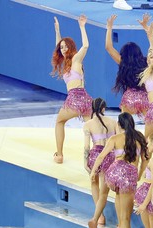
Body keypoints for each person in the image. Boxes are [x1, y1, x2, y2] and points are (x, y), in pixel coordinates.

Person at [88, 113, 149, 228]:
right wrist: (139, 174)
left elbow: (101, 157)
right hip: (128, 175)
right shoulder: (139, 137)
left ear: (120, 125)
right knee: (126, 218)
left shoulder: (114, 139)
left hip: (113, 173)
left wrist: (94, 171)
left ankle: (95, 219)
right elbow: (145, 160)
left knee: (104, 193)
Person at [51, 15, 92, 164]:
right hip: (86, 101)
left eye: (66, 47)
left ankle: (59, 154)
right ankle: (100, 155)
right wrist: (57, 31)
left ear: (71, 47)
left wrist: (82, 27)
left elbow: (86, 46)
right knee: (93, 130)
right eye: (61, 48)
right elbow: (59, 45)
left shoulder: (75, 59)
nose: (63, 49)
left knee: (59, 122)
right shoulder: (67, 62)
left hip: (74, 100)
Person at [83, 98, 118, 227]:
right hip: (109, 155)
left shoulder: (88, 124)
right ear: (104, 108)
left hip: (95, 155)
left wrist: (85, 162)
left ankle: (100, 216)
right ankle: (101, 216)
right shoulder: (113, 122)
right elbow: (119, 141)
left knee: (94, 183)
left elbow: (87, 146)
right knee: (104, 188)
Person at [105, 14, 149, 117]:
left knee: (124, 125)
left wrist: (109, 27)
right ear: (139, 52)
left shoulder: (122, 62)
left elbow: (108, 47)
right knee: (150, 124)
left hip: (129, 98)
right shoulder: (146, 62)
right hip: (144, 98)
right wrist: (147, 29)